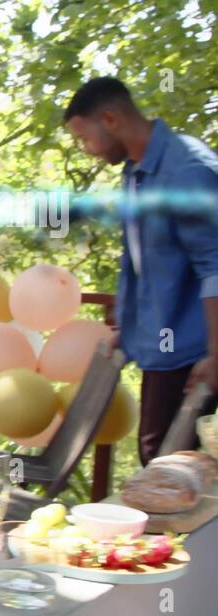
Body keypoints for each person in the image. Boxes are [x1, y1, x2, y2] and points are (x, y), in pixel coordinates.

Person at [64, 77, 218, 464]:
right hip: (165, 342)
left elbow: (214, 266)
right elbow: (144, 263)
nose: (87, 151)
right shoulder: (135, 171)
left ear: (110, 119)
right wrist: (128, 329)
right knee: (159, 460)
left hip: (195, 348)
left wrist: (216, 354)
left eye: (85, 139)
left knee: (168, 467)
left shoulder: (187, 170)